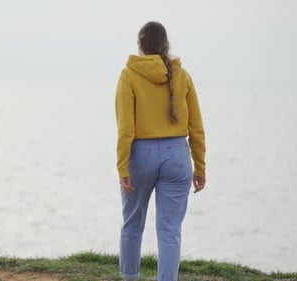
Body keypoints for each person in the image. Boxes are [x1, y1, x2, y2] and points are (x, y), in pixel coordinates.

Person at [115, 21, 206, 281]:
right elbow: (196, 127)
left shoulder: (129, 75)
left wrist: (122, 166)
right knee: (169, 230)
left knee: (132, 223)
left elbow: (125, 127)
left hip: (140, 155)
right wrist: (200, 166)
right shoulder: (183, 75)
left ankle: (130, 277)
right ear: (165, 45)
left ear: (140, 46)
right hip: (177, 154)